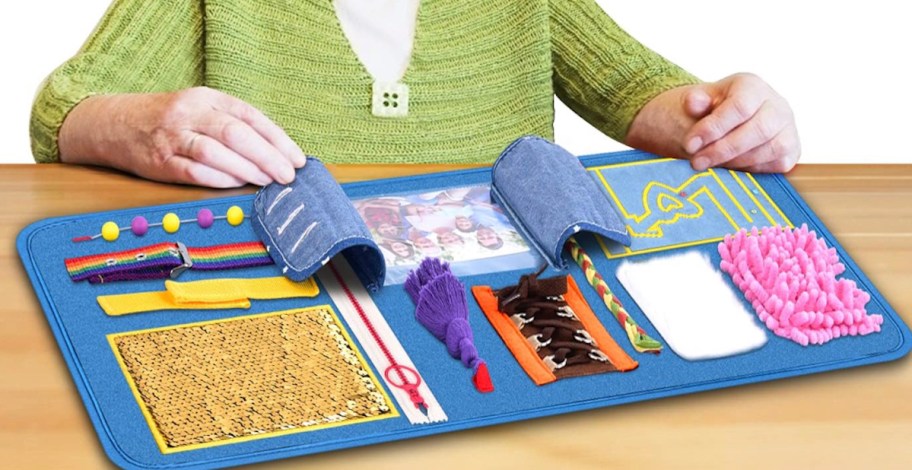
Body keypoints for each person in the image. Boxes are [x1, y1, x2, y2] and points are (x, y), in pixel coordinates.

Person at [30, 0, 799, 188]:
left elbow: (639, 90)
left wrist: (731, 116)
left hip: (508, 319)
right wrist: (133, 124)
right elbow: (65, 106)